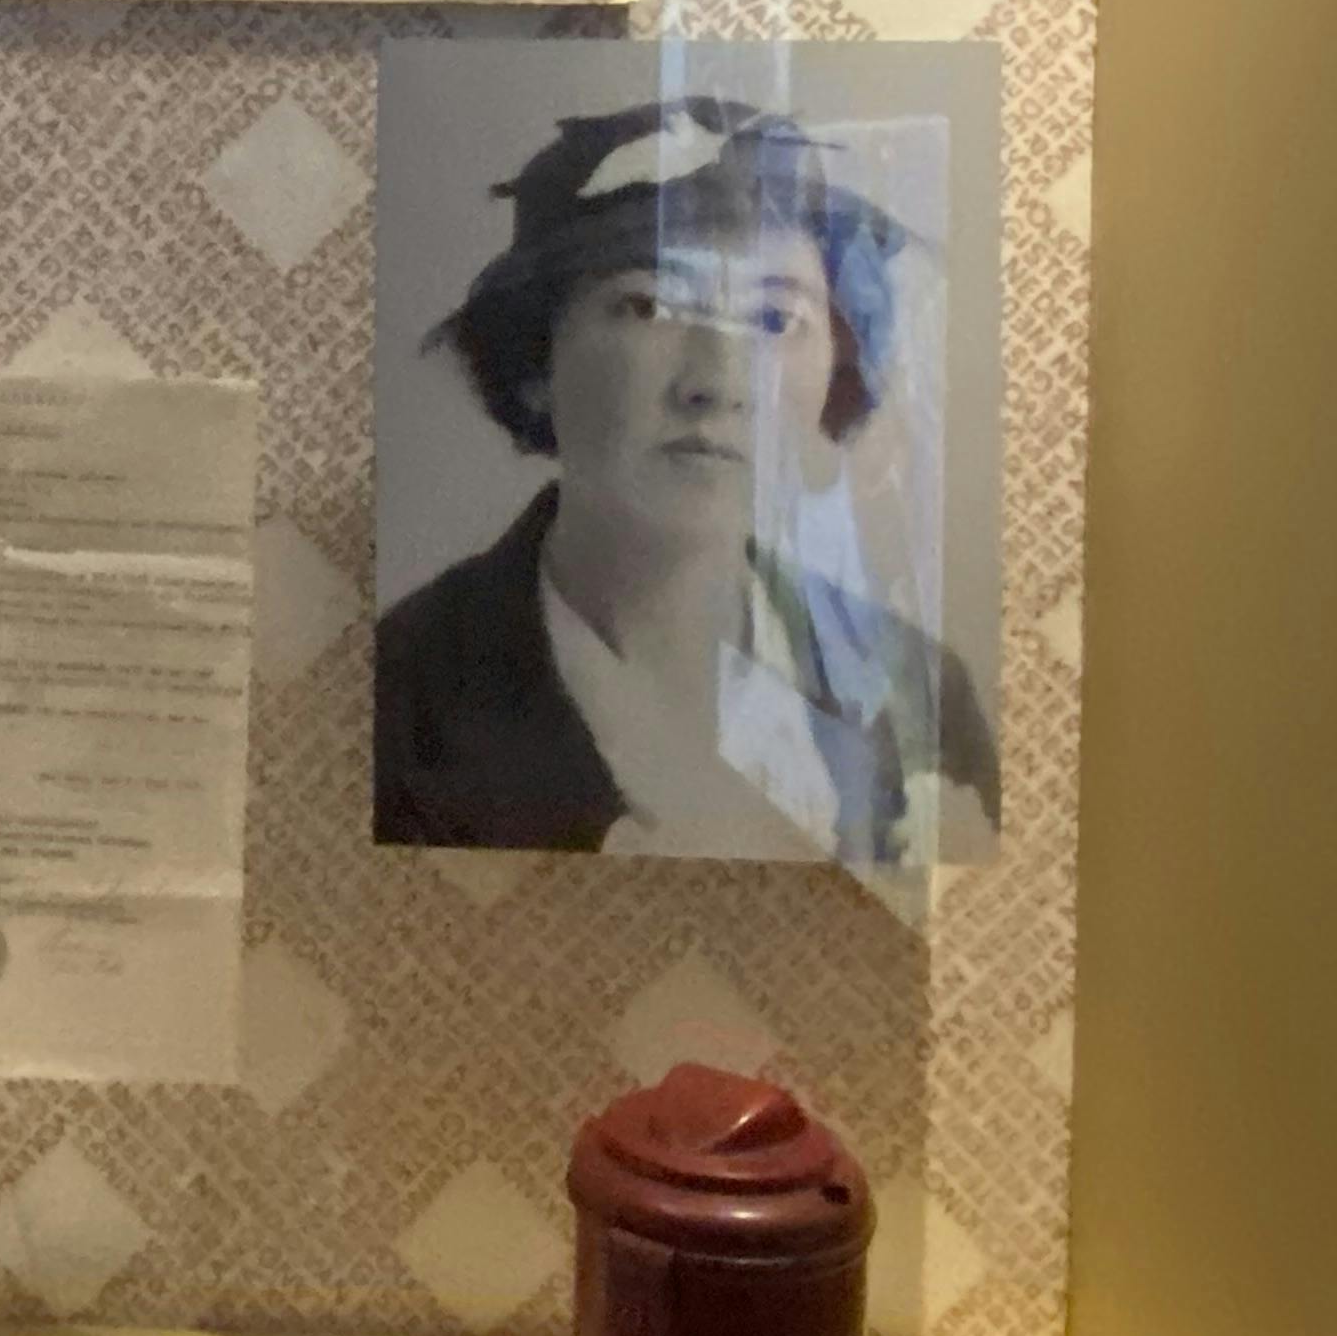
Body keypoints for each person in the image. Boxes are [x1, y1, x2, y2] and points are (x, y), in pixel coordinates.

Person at [375, 100, 999, 866]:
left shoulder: (920, 693)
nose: (719, 383)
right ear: (537, 359)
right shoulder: (399, 696)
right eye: (648, 305)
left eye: (775, 320)